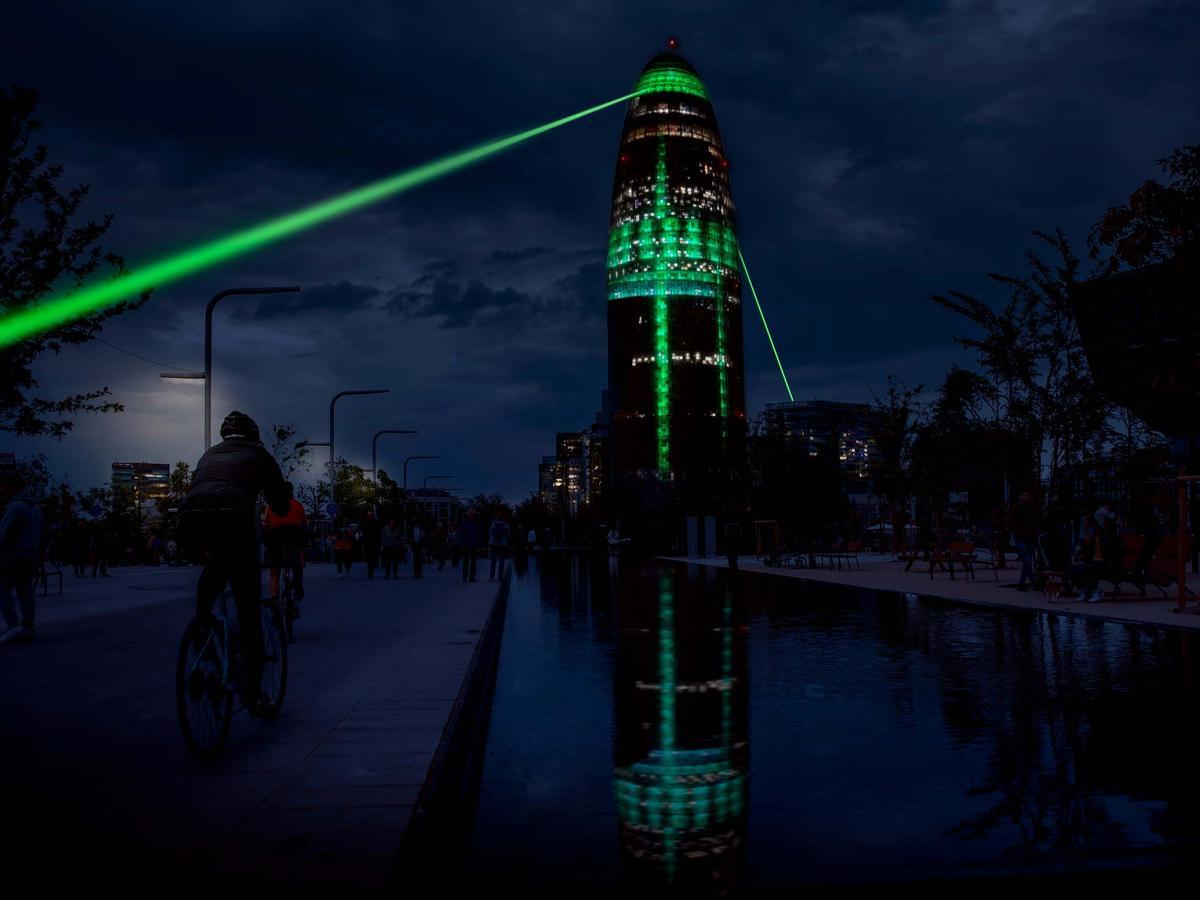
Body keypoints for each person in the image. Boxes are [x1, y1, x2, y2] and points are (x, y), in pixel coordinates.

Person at [177, 411, 289, 713]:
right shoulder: (259, 454)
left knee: (215, 569)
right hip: (232, 516)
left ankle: (202, 627)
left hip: (189, 519)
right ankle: (253, 693)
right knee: (248, 604)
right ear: (253, 434)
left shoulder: (210, 454)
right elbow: (279, 502)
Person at [0, 462, 44, 644]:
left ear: (13, 487)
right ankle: (27, 626)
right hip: (31, 554)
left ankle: (13, 626)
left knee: (2, 588)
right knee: (25, 591)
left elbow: (3, 534)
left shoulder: (15, 508)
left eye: (3, 486)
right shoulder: (35, 508)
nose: (2, 490)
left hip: (15, 554)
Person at [262, 481, 308, 608]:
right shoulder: (298, 505)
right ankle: (298, 586)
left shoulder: (270, 506)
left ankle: (274, 597)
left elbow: (265, 525)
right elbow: (304, 524)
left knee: (274, 572)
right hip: (294, 543)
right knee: (298, 565)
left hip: (276, 544)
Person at [1009, 490, 1038, 592]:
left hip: (1029, 538)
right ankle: (1033, 582)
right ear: (1020, 496)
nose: (1026, 497)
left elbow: (1034, 522)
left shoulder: (1030, 509)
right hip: (1021, 538)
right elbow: (1012, 523)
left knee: (1027, 562)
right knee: (1027, 561)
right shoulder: (1016, 508)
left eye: (1028, 495)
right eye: (1024, 495)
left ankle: (1022, 583)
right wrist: (1019, 532)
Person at [460, 507, 482, 583]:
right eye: (470, 513)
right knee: (466, 562)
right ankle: (465, 576)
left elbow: (479, 534)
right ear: (467, 514)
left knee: (473, 562)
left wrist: (479, 545)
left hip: (474, 545)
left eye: (472, 513)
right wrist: (462, 543)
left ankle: (472, 577)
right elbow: (461, 534)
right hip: (466, 545)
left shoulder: (477, 522)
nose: (471, 514)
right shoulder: (464, 522)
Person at [488, 513, 510, 582]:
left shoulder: (493, 524)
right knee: (501, 561)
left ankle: (491, 577)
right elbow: (508, 535)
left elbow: (490, 533)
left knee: (493, 561)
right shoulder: (506, 525)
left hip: (493, 544)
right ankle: (500, 577)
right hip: (503, 544)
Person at [362, 510, 383, 580]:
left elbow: (378, 532)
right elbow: (363, 532)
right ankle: (370, 571)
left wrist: (379, 542)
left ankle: (371, 569)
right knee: (368, 558)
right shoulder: (365, 523)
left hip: (374, 542)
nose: (370, 516)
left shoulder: (375, 522)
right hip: (367, 542)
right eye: (369, 515)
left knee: (373, 557)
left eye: (371, 515)